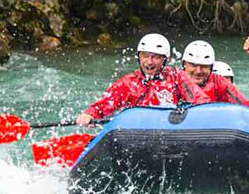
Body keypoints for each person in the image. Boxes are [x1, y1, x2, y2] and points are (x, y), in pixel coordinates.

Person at [75, 33, 209, 125]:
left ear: (164, 60)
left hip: (169, 129)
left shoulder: (177, 76)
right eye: (145, 56)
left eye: (155, 57)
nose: (149, 62)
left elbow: (200, 100)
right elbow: (102, 106)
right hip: (139, 132)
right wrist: (89, 115)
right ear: (139, 57)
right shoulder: (128, 83)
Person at [182, 40, 249, 106]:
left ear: (211, 68)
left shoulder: (219, 82)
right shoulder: (174, 81)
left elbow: (244, 105)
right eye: (193, 65)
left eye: (204, 66)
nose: (198, 71)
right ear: (184, 65)